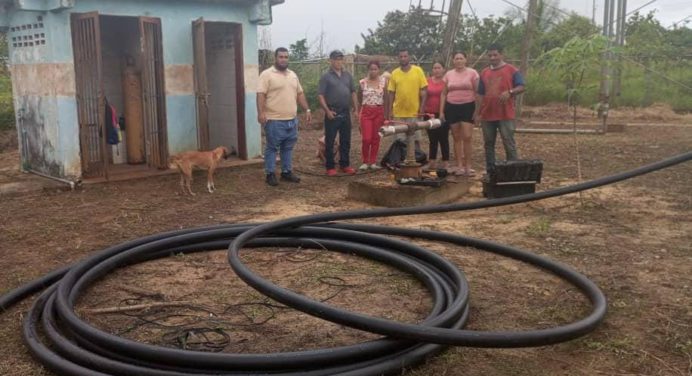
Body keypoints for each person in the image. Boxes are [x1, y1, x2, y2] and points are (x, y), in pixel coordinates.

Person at [257, 47, 312, 186]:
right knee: (272, 148)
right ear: (275, 58)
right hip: (274, 120)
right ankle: (270, 174)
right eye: (281, 57)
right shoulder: (267, 74)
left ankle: (286, 172)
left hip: (291, 120)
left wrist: (307, 109)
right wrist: (261, 113)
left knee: (288, 147)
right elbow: (261, 94)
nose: (283, 59)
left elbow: (300, 94)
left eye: (286, 57)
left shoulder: (293, 75)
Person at [474, 44, 525, 175]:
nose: (492, 57)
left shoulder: (512, 70)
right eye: (490, 55)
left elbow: (521, 86)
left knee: (509, 143)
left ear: (502, 54)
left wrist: (510, 92)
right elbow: (480, 94)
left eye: (495, 55)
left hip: (505, 114)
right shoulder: (484, 72)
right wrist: (477, 113)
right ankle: (491, 171)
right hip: (487, 114)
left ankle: (513, 171)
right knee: (488, 144)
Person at [318, 50, 359, 176]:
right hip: (332, 112)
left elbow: (353, 92)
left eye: (340, 59)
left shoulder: (348, 76)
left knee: (346, 140)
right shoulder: (326, 76)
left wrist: (356, 109)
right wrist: (327, 111)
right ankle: (330, 166)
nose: (338, 61)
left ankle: (344, 164)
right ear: (330, 60)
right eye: (336, 59)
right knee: (330, 140)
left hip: (345, 111)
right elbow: (320, 95)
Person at [440, 51, 479, 176]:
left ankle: (468, 166)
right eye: (456, 58)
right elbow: (444, 93)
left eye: (461, 58)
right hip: (452, 107)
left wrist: (477, 111)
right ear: (453, 61)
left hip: (468, 106)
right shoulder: (448, 74)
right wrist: (441, 111)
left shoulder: (473, 73)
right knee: (456, 137)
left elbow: (478, 92)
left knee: (467, 136)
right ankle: (459, 166)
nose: (459, 61)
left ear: (465, 60)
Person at [387, 49, 428, 152]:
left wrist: (422, 108)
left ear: (409, 57)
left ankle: (417, 160)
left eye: (405, 56)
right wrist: (390, 110)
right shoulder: (395, 73)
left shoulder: (418, 70)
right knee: (400, 140)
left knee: (416, 139)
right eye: (401, 57)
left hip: (414, 112)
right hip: (399, 113)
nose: (403, 58)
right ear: (398, 58)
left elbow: (423, 90)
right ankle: (402, 162)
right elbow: (391, 93)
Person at [357, 60, 388, 171]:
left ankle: (373, 162)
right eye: (371, 69)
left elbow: (386, 98)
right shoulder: (362, 82)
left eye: (375, 69)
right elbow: (359, 98)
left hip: (379, 111)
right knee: (366, 138)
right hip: (366, 112)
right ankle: (365, 161)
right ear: (368, 70)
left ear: (379, 70)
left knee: (376, 138)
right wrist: (359, 111)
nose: (373, 71)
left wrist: (387, 115)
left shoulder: (383, 81)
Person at [423, 60, 449, 171]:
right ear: (432, 70)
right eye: (434, 68)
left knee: (443, 138)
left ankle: (446, 162)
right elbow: (423, 96)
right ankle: (432, 161)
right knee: (432, 139)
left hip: (442, 113)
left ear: (443, 69)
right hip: (429, 113)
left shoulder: (446, 82)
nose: (437, 70)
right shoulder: (427, 81)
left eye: (439, 68)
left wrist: (443, 112)